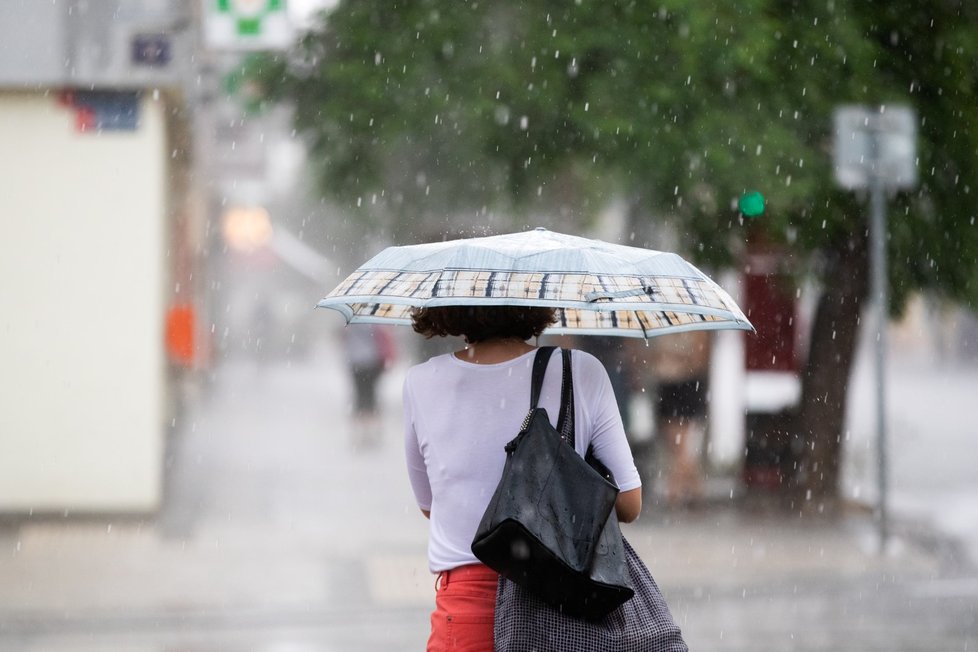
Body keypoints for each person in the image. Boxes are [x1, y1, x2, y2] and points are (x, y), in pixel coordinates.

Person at [402, 305, 642, 652]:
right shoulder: (579, 371)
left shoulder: (420, 381)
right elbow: (629, 502)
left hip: (467, 612)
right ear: (537, 302)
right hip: (559, 603)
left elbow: (430, 506)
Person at [651, 329, 711, 507]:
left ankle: (675, 489)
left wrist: (675, 359)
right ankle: (693, 488)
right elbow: (655, 357)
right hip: (667, 386)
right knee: (675, 444)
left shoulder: (697, 330)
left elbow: (699, 359)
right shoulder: (662, 327)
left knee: (681, 446)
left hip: (687, 387)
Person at [343, 323, 395, 447]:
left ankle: (361, 433)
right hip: (372, 363)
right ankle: (371, 432)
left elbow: (343, 340)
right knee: (371, 397)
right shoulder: (375, 322)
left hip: (356, 364)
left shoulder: (349, 322)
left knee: (360, 398)